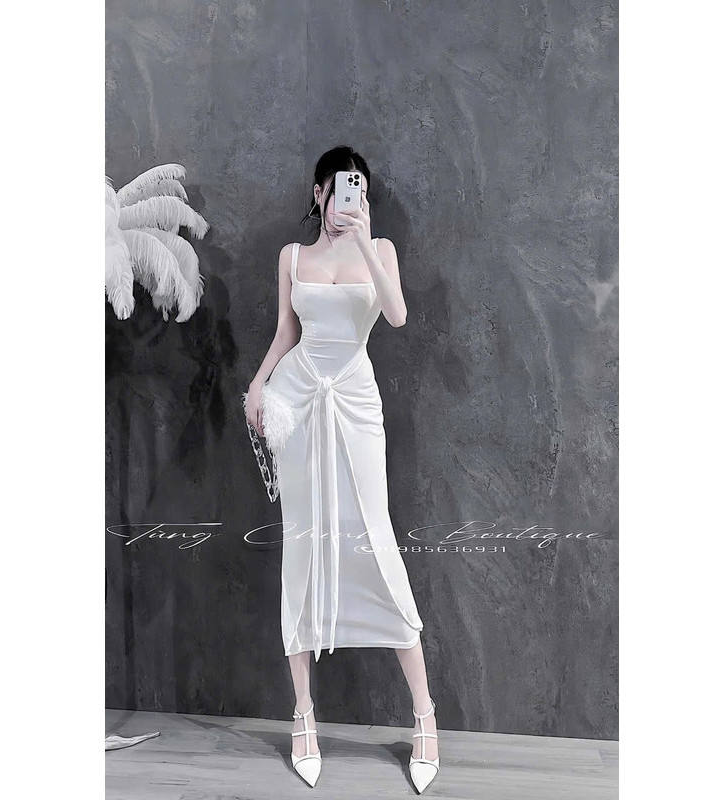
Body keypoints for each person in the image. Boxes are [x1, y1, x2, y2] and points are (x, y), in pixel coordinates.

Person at [244, 146, 439, 793]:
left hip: (354, 401)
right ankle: (303, 713)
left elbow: (398, 315)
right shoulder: (291, 258)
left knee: (374, 537)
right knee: (301, 543)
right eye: (336, 189)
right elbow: (286, 332)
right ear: (319, 192)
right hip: (299, 401)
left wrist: (363, 243)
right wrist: (259, 384)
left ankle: (425, 715)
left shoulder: (377, 249)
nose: (345, 200)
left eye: (356, 190)